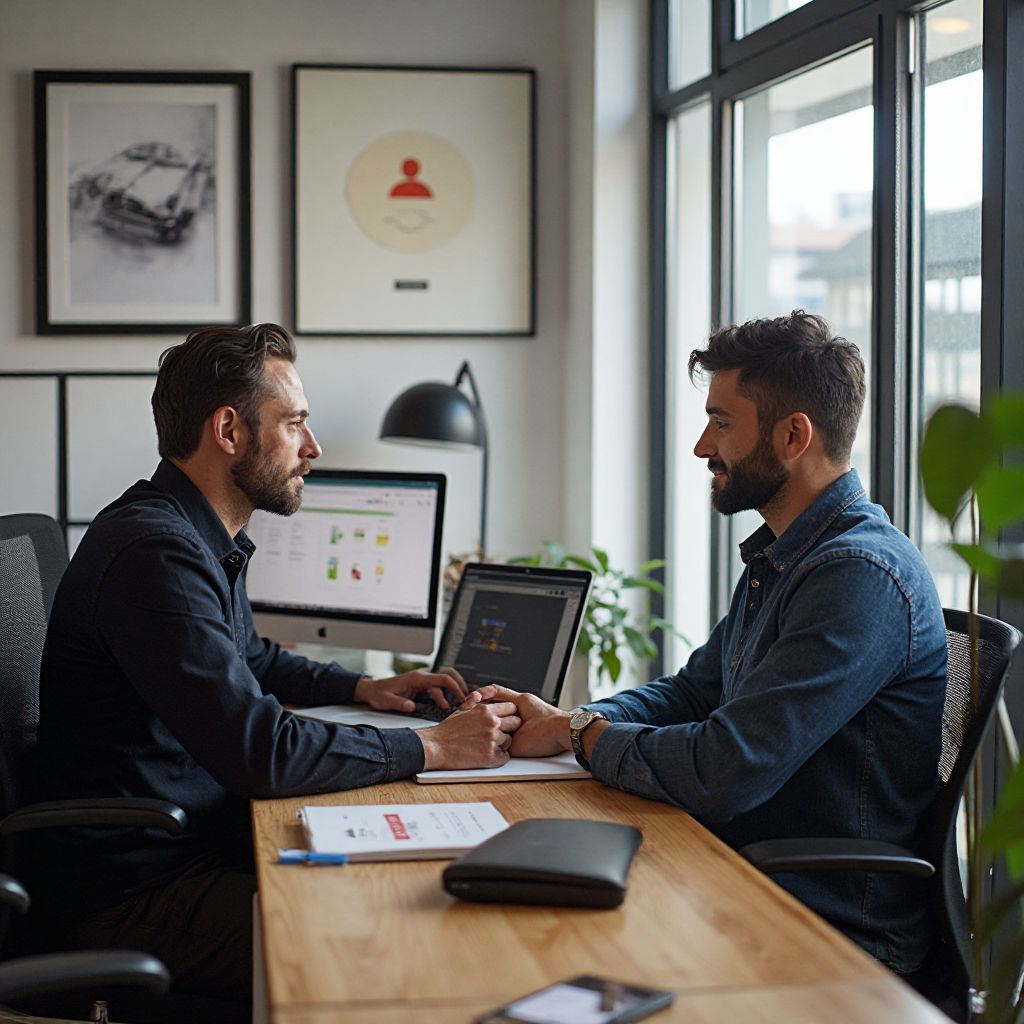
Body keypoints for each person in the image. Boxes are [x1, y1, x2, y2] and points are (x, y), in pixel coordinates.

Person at [31, 323, 519, 1014]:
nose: (313, 447)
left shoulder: (193, 534)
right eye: (294, 423)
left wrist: (362, 687)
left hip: (191, 846)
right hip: (133, 893)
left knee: (398, 894)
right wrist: (434, 745)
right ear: (229, 430)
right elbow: (261, 750)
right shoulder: (155, 554)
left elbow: (248, 658)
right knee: (378, 945)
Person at [473, 311, 947, 976]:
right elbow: (693, 691)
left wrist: (581, 733)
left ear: (792, 435)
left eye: (721, 422)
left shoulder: (857, 577)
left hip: (828, 930)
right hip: (736, 875)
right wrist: (561, 728)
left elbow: (723, 769)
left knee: (530, 955)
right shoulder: (786, 560)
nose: (702, 445)